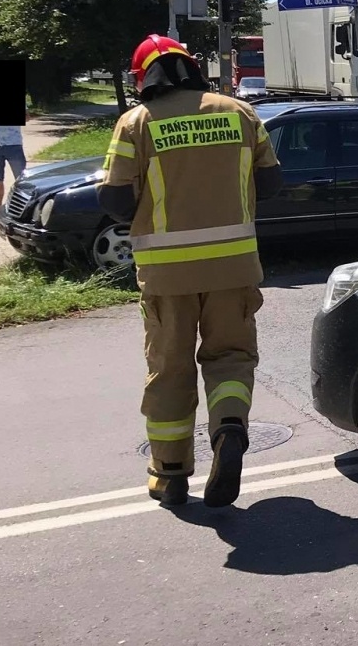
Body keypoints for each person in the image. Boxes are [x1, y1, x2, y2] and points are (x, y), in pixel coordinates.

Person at [97, 35, 283, 508]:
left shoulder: (136, 122)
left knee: (170, 370)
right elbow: (272, 184)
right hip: (234, 268)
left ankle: (170, 475)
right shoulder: (240, 112)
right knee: (231, 359)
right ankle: (229, 430)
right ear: (193, 67)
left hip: (166, 276)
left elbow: (116, 201)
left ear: (143, 77)